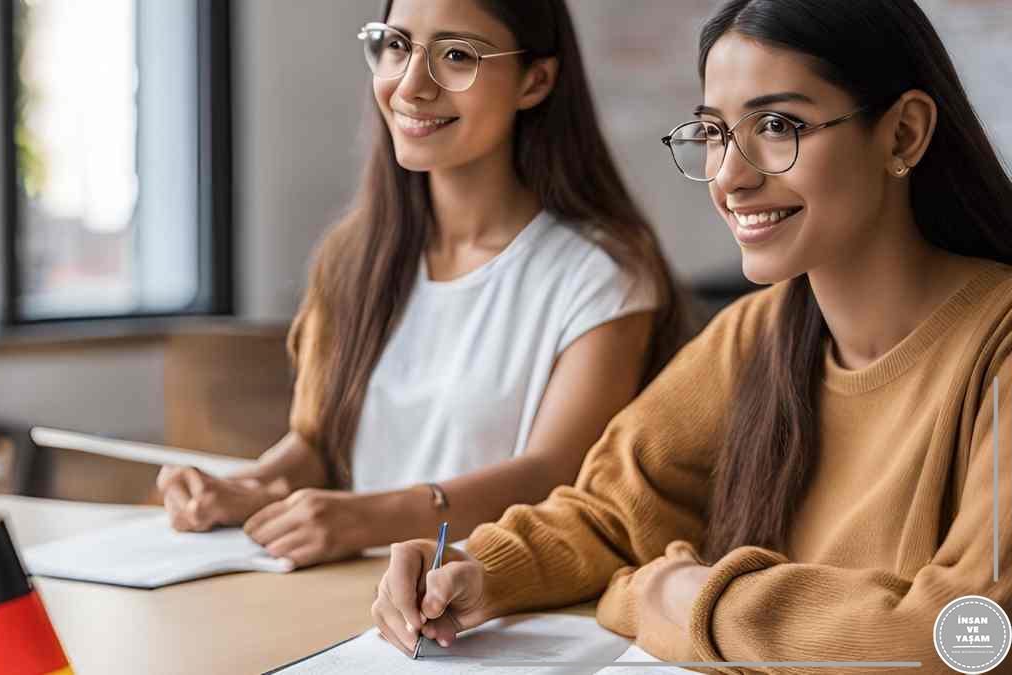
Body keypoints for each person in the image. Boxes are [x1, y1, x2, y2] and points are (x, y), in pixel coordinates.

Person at [371, 0, 1012, 668]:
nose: (730, 176)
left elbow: (973, 634)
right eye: (713, 133)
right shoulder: (755, 334)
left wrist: (682, 596)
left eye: (776, 124)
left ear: (903, 134)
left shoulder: (997, 346)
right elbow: (612, 514)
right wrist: (477, 569)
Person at [156, 0, 690, 569]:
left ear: (535, 81)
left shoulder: (601, 273)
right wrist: (250, 485)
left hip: (486, 604)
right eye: (396, 46)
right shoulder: (351, 258)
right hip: (340, 591)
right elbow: (319, 444)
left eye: (457, 55)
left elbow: (555, 475)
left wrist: (365, 517)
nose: (411, 86)